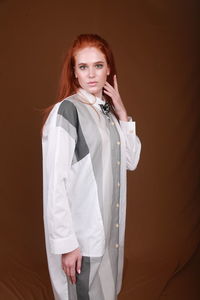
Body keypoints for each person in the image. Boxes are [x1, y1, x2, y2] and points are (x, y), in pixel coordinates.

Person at [42, 33, 141, 300]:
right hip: (82, 240)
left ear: (109, 69)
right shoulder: (67, 111)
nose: (92, 74)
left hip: (108, 234)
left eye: (98, 65)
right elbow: (55, 184)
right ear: (74, 72)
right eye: (83, 67)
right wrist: (66, 245)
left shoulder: (106, 112)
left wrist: (122, 114)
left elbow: (130, 161)